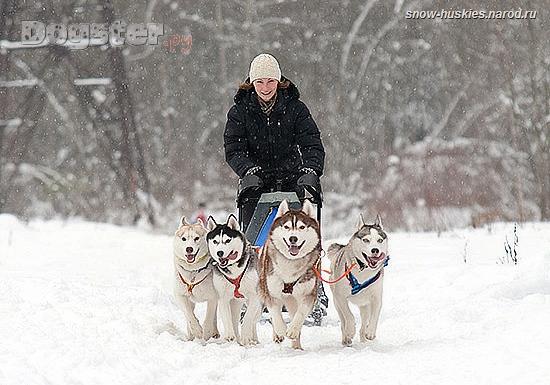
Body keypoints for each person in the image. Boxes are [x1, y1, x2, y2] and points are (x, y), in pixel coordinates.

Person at [224, 53, 325, 231]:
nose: (265, 88)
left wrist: (311, 169)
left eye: (270, 81)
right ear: (252, 83)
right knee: (254, 243)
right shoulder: (239, 112)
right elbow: (234, 149)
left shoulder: (296, 109)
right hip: (255, 186)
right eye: (259, 82)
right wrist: (248, 170)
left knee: (295, 241)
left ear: (278, 81)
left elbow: (311, 143)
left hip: (292, 183)